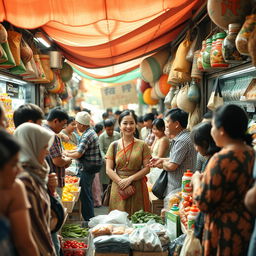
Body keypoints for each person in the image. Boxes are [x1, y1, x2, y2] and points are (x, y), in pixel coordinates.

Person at [192, 104, 255, 256]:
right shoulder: (251, 153)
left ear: (221, 129)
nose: (211, 131)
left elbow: (203, 202)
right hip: (246, 224)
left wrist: (196, 181)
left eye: (212, 126)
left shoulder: (221, 159)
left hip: (223, 230)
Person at [14, 123, 57, 255]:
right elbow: (26, 238)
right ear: (30, 147)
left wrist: (51, 189)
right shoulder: (24, 180)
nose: (48, 151)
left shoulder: (37, 174)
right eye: (44, 147)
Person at [0, 129, 40, 256]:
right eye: (13, 165)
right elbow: (24, 245)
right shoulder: (16, 188)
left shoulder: (14, 187)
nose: (18, 170)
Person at [105, 110, 151, 215]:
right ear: (120, 125)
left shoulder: (143, 145)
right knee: (118, 223)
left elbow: (147, 168)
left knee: (137, 219)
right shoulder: (114, 145)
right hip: (118, 187)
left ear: (136, 125)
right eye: (125, 123)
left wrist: (130, 179)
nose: (128, 126)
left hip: (137, 186)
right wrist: (122, 183)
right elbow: (108, 169)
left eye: (131, 123)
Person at [149, 108, 197, 195]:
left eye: (167, 122)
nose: (165, 125)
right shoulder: (182, 137)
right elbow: (174, 158)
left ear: (176, 124)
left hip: (179, 189)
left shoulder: (182, 140)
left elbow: (172, 166)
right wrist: (161, 160)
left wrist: (160, 164)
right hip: (178, 187)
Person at [65, 111, 102, 221]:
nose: (76, 126)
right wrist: (68, 151)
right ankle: (89, 219)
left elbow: (79, 153)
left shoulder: (87, 135)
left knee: (85, 196)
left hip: (87, 169)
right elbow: (79, 149)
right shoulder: (89, 132)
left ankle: (89, 220)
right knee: (87, 194)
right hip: (89, 168)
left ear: (81, 124)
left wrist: (67, 155)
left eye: (76, 124)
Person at [190, 121, 220, 241]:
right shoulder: (213, 158)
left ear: (205, 143)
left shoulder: (217, 160)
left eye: (196, 145)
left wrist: (197, 179)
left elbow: (202, 200)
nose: (196, 149)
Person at [43, 107, 72, 197]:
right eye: (63, 125)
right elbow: (58, 161)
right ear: (55, 121)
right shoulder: (52, 135)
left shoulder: (43, 130)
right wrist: (69, 159)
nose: (63, 128)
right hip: (54, 183)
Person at [99, 119, 121, 191]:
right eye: (108, 130)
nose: (111, 131)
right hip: (105, 163)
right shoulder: (101, 137)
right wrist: (106, 159)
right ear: (105, 128)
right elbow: (101, 150)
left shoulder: (118, 135)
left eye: (112, 129)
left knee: (116, 182)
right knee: (106, 184)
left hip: (117, 161)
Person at [148, 118, 170, 185]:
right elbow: (151, 150)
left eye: (157, 129)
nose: (154, 131)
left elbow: (159, 156)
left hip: (159, 167)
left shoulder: (164, 140)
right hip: (153, 165)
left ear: (162, 128)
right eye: (153, 129)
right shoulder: (157, 137)